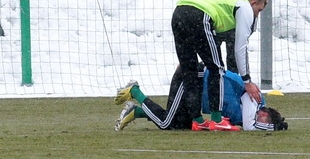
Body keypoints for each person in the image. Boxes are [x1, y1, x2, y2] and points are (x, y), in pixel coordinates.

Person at [115, 0, 267, 131]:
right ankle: (217, 120)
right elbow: (240, 47)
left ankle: (198, 120)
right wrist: (247, 81)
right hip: (199, 15)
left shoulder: (230, 1)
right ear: (253, 2)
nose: (256, 16)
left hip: (179, 13)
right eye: (259, 10)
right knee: (217, 68)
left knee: (190, 71)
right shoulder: (245, 7)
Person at [114, 65, 287, 132]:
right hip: (192, 77)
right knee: (167, 122)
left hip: (196, 88)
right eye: (266, 123)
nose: (261, 123)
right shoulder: (253, 102)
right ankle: (135, 91)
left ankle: (136, 111)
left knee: (181, 124)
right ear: (264, 115)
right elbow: (250, 126)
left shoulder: (244, 112)